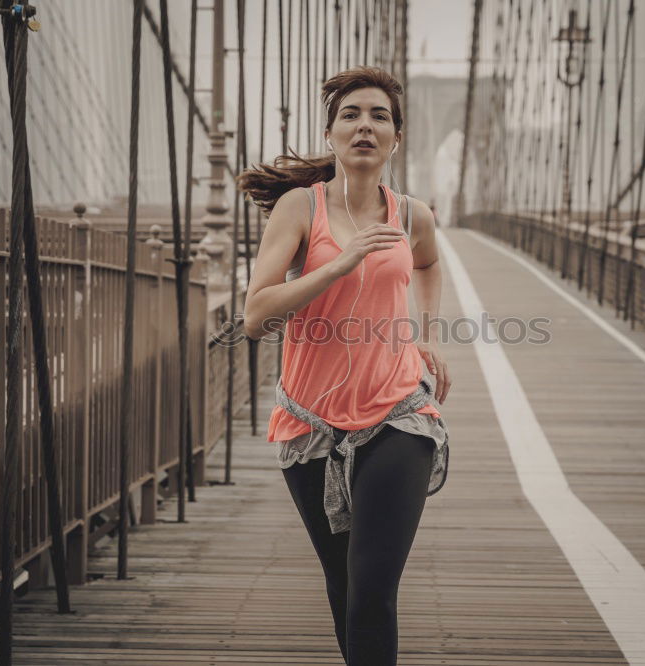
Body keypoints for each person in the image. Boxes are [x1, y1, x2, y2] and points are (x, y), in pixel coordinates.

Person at [237, 66, 452, 665]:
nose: (365, 125)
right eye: (351, 115)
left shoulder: (412, 216)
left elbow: (430, 264)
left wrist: (427, 335)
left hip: (399, 413)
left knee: (373, 592)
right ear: (331, 134)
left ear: (395, 139)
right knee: (345, 589)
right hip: (311, 424)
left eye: (379, 116)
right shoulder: (298, 209)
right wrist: (336, 264)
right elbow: (256, 315)